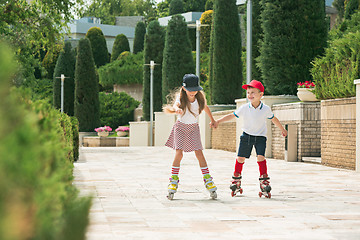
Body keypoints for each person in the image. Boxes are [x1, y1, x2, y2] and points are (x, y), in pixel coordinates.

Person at [213, 80, 287, 198]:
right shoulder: (244, 108)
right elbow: (232, 115)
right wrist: (218, 121)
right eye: (248, 93)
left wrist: (282, 129)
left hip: (260, 137)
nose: (250, 95)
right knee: (240, 158)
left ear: (261, 94)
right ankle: (236, 180)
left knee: (261, 157)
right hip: (246, 136)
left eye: (253, 92)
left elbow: (273, 119)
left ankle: (264, 181)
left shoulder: (266, 109)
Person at [164, 74, 217, 200]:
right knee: (179, 153)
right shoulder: (181, 97)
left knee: (199, 153)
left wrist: (213, 120)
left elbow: (205, 108)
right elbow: (176, 105)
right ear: (184, 88)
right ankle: (173, 180)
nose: (192, 92)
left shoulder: (199, 99)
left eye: (195, 89)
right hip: (180, 128)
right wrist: (177, 110)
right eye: (190, 89)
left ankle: (208, 179)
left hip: (193, 128)